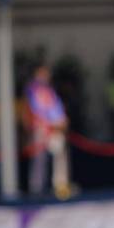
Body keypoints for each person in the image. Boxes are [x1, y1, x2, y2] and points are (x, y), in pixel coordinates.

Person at [24, 63, 72, 199]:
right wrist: (46, 123)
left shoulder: (50, 91)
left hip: (53, 128)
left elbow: (56, 109)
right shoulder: (31, 89)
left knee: (60, 154)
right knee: (39, 159)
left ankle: (61, 185)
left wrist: (61, 120)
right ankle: (36, 189)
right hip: (40, 128)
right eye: (42, 73)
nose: (45, 76)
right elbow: (33, 109)